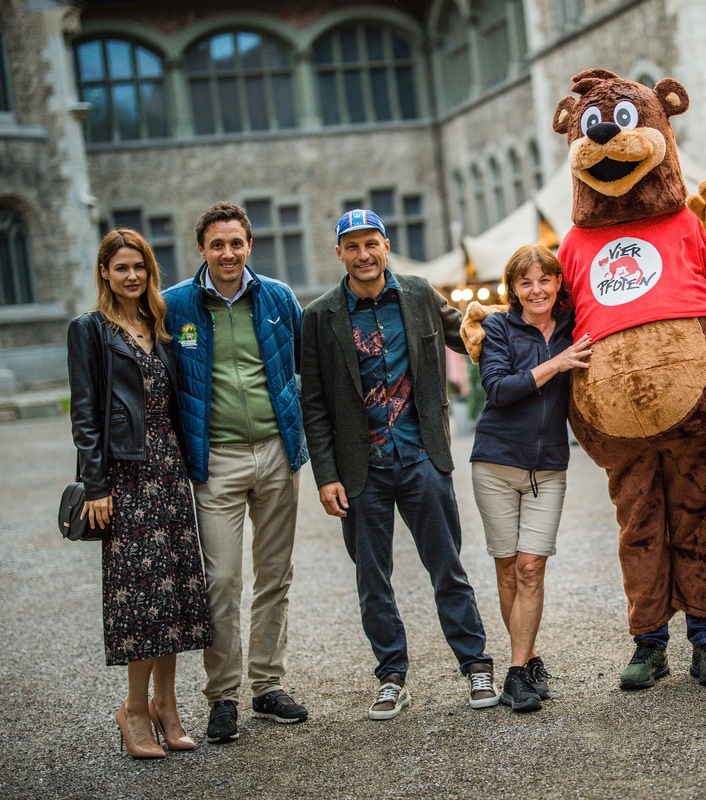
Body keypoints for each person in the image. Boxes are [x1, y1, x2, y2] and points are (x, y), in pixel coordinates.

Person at [300, 209, 498, 720]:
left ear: (386, 246)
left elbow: (473, 338)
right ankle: (391, 676)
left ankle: (476, 664)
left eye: (372, 244)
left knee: (448, 567)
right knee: (373, 579)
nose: (363, 255)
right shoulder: (319, 317)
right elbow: (314, 403)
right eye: (352, 246)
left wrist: (533, 325)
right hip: (359, 469)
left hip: (422, 457)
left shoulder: (419, 295)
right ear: (338, 253)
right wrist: (326, 476)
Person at [163, 202, 309, 743]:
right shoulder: (174, 305)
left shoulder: (277, 297)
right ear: (201, 249)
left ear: (250, 245)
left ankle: (267, 685)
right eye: (218, 245)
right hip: (214, 460)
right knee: (220, 579)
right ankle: (222, 694)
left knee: (275, 575)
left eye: (237, 243)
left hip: (275, 453)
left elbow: (301, 367)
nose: (229, 253)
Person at [68, 229, 212, 758]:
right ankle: (132, 710)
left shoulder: (160, 324)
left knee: (174, 594)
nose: (132, 276)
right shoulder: (90, 331)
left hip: (169, 472)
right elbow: (85, 414)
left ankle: (166, 706)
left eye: (140, 268)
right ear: (105, 273)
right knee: (141, 600)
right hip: (125, 478)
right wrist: (95, 485)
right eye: (122, 267)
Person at [469, 244, 592, 713]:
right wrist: (556, 364)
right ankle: (531, 658)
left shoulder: (573, 326)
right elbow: (498, 389)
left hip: (548, 467)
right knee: (506, 568)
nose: (536, 290)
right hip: (496, 463)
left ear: (558, 282)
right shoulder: (498, 327)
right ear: (513, 288)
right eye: (525, 282)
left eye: (544, 280)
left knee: (530, 568)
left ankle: (516, 673)